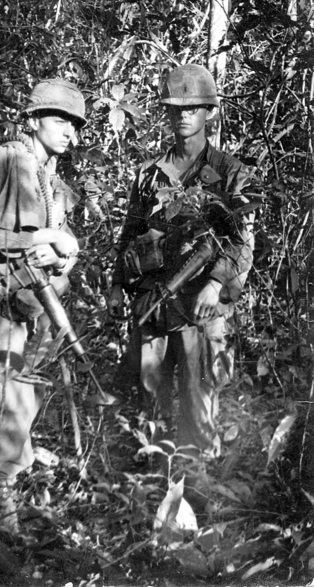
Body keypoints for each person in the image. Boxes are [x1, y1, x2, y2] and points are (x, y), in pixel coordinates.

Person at [0, 79, 86, 534]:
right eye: (58, 120)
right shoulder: (6, 159)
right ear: (33, 121)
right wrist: (42, 238)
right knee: (15, 389)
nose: (69, 131)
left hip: (34, 302)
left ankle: (19, 462)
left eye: (74, 123)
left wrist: (63, 252)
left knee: (27, 386)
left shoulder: (53, 180)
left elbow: (60, 241)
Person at [109, 64, 254, 462]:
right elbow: (130, 232)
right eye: (175, 108)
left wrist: (215, 284)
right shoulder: (149, 174)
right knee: (150, 393)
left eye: (193, 108)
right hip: (154, 302)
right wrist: (116, 284)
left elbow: (243, 241)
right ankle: (150, 480)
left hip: (199, 304)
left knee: (198, 394)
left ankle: (199, 485)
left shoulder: (230, 172)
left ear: (210, 111)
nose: (183, 115)